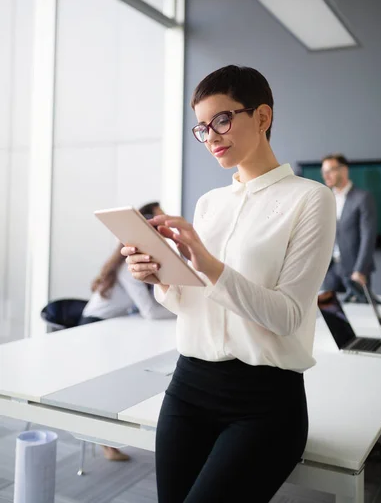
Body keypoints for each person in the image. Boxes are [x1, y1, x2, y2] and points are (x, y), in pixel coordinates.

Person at [123, 65, 336, 502]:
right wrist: (160, 276)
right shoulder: (209, 203)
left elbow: (288, 316)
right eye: (202, 128)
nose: (212, 136)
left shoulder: (310, 199)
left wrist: (209, 264)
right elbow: (193, 304)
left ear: (262, 117)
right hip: (188, 388)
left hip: (264, 403)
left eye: (222, 120)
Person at [81, 201, 175, 462]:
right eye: (158, 222)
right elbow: (151, 311)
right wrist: (183, 308)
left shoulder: (144, 260)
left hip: (115, 325)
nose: (164, 226)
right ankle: (105, 441)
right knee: (108, 383)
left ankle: (111, 437)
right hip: (95, 326)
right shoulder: (128, 264)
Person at [80, 202, 175, 325]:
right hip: (93, 323)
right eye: (160, 220)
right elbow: (150, 312)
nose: (167, 225)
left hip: (113, 321)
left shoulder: (147, 261)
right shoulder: (129, 267)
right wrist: (181, 309)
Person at [320, 154, 377, 299]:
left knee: (360, 315)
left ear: (344, 170)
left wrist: (360, 270)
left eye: (330, 170)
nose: (326, 175)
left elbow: (368, 237)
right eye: (324, 171)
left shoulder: (362, 197)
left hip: (354, 270)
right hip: (330, 269)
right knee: (330, 312)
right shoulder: (325, 198)